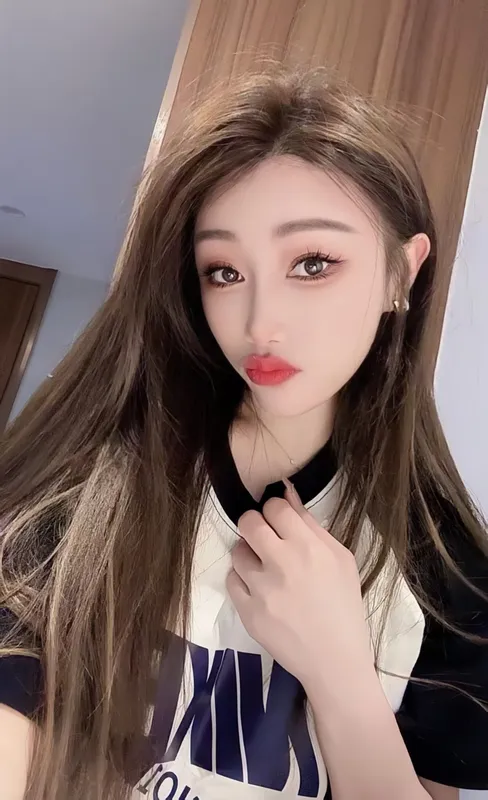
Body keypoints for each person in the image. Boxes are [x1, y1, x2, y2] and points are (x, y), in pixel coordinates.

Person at [0, 66, 487, 800]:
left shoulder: (445, 570)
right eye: (224, 271)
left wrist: (343, 679)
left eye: (313, 264)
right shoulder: (89, 486)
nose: (261, 322)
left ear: (402, 273)